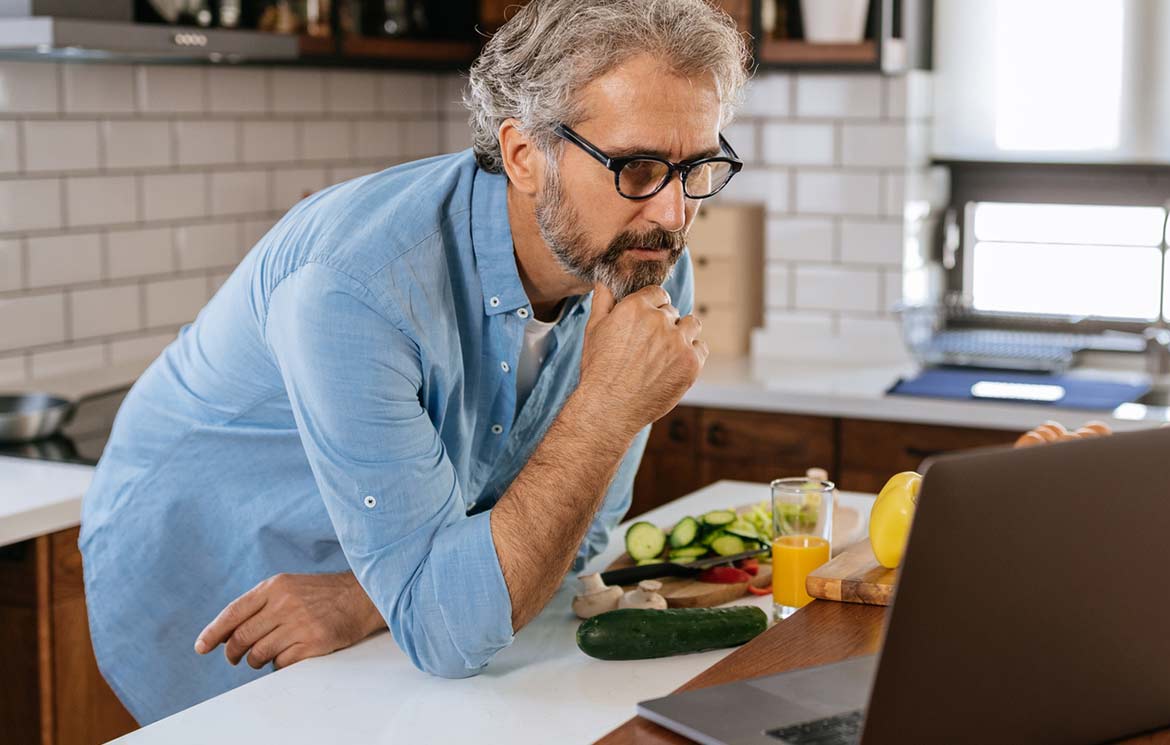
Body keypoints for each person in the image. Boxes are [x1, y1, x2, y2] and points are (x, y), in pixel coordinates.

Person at [78, 0, 749, 723]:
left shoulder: (636, 253)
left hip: (389, 588)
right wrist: (607, 408)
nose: (676, 214)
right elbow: (449, 635)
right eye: (640, 167)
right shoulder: (354, 286)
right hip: (212, 575)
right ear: (525, 155)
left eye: (699, 167)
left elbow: (579, 533)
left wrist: (373, 594)